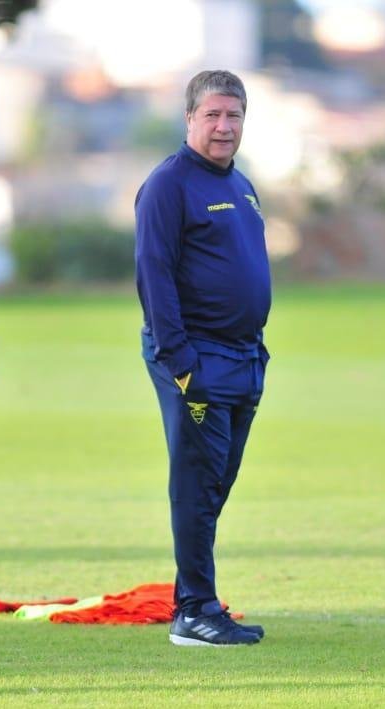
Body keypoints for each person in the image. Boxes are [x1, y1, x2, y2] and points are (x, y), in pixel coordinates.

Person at [135, 70, 271, 646]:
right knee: (196, 481)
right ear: (189, 118)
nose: (223, 126)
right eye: (212, 115)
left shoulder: (241, 184)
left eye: (233, 115)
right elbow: (154, 274)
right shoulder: (169, 185)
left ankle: (194, 599)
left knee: (217, 483)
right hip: (196, 357)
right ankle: (194, 612)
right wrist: (181, 361)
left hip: (243, 358)